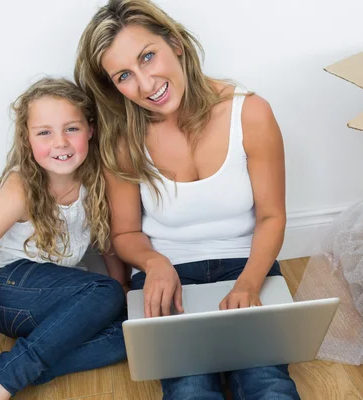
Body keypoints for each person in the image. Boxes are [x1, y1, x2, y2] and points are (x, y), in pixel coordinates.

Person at [75, 1, 300, 399]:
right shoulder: (124, 140)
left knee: (268, 384)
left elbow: (271, 216)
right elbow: (124, 231)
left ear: (175, 44)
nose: (146, 85)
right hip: (169, 280)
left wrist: (249, 285)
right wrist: (155, 263)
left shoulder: (249, 113)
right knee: (190, 388)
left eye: (148, 57)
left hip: (248, 267)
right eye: (124, 75)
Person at [0, 78, 128, 400]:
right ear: (27, 140)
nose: (60, 143)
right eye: (44, 132)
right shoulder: (22, 188)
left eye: (72, 129)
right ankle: (5, 379)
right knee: (104, 292)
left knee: (127, 333)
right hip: (5, 290)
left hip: (52, 299)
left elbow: (106, 238)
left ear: (91, 130)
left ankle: (6, 368)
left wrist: (123, 289)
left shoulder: (98, 176)